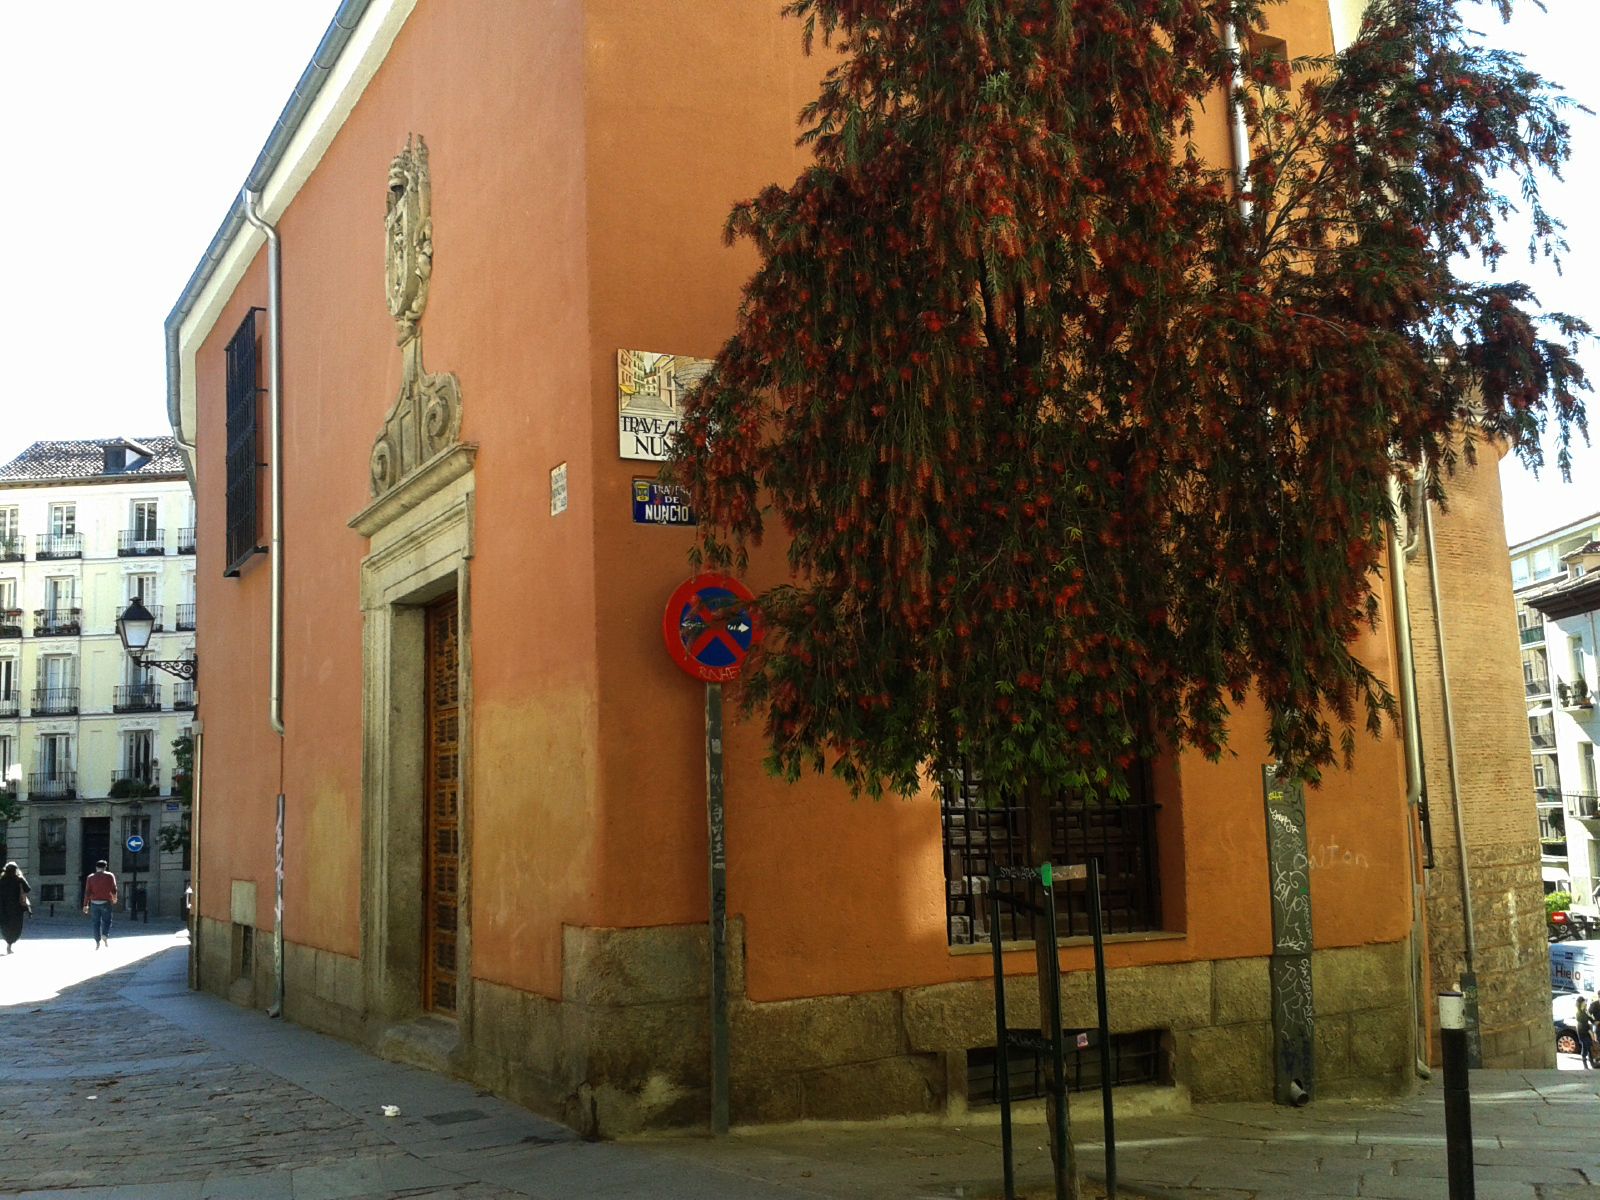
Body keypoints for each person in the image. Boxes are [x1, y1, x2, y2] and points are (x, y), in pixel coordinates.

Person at [82, 859, 118, 949]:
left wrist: (85, 904)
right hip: (106, 902)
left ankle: (97, 941)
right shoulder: (110, 875)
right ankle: (105, 934)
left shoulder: (90, 877)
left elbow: (87, 892)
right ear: (105, 867)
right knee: (107, 920)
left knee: (95, 923)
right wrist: (114, 898)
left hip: (94, 903)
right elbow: (114, 889)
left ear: (96, 867)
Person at [0, 862, 31, 954]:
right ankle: (9, 945)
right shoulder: (19, 879)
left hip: (3, 907)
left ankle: (8, 942)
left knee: (5, 926)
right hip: (16, 908)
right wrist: (21, 878)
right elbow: (28, 889)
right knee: (15, 927)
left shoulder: (2, 880)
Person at [1576, 993, 1594, 1070]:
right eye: (1584, 1002)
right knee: (1585, 1045)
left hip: (1587, 1030)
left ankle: (1592, 1063)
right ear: (1580, 1003)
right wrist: (1590, 1032)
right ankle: (1585, 1065)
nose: (1585, 1003)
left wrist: (1591, 1017)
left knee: (1589, 1046)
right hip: (1582, 1031)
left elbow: (1591, 1020)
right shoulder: (1578, 1013)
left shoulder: (1585, 1011)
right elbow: (1583, 1024)